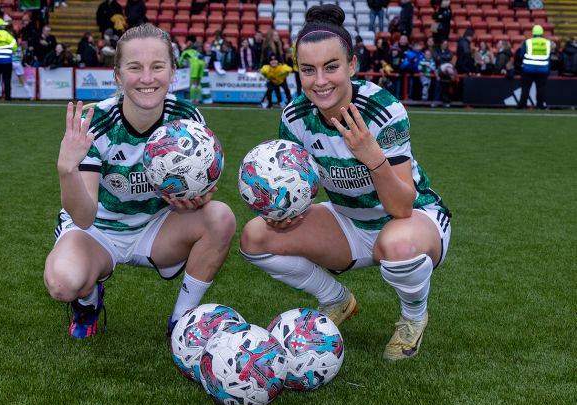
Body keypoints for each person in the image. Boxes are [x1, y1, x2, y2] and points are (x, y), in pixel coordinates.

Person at [240, 4, 452, 361]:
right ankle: (336, 299)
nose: (320, 81)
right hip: (348, 219)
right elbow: (296, 183)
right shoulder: (295, 116)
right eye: (308, 70)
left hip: (412, 219)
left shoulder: (383, 110)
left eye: (331, 67)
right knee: (255, 237)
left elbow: (401, 206)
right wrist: (286, 210)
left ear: (352, 65)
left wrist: (372, 156)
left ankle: (413, 317)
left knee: (397, 245)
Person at [44, 23, 236, 339]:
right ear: (118, 76)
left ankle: (182, 322)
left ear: (172, 72)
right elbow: (84, 217)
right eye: (135, 67)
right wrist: (67, 169)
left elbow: (199, 190)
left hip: (155, 227)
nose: (147, 78)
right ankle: (88, 304)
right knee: (62, 282)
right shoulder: (96, 122)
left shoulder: (187, 118)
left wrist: (194, 200)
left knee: (221, 217)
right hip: (98, 230)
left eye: (157, 67)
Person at [517, 24, 551, 109]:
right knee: (541, 89)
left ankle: (522, 105)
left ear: (533, 33)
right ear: (542, 33)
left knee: (525, 88)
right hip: (542, 69)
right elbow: (549, 56)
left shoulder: (528, 42)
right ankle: (540, 105)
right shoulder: (547, 42)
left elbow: (521, 55)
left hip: (528, 69)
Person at [178, 37, 205, 104]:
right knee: (198, 83)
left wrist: (181, 65)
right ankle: (198, 99)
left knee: (193, 84)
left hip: (195, 66)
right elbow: (202, 57)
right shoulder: (195, 51)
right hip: (202, 64)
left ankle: (193, 100)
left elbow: (180, 63)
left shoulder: (185, 52)